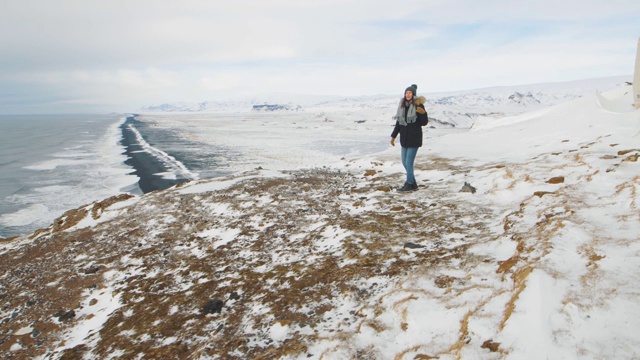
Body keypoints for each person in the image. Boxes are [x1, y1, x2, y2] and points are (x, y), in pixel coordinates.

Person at [390, 84, 429, 192]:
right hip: (404, 139)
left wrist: (423, 113)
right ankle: (413, 184)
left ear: (413, 94)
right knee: (404, 162)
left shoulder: (418, 105)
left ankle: (409, 184)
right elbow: (398, 124)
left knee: (409, 162)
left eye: (410, 93)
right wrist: (393, 136)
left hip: (414, 138)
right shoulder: (402, 107)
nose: (408, 94)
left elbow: (424, 122)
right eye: (406, 92)